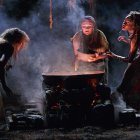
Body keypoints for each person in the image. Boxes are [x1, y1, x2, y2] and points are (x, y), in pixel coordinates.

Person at [109, 11, 140, 110]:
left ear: (134, 24)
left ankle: (120, 96)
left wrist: (113, 55)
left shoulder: (136, 36)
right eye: (124, 21)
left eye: (127, 21)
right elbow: (136, 45)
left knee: (127, 81)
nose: (124, 23)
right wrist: (127, 40)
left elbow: (129, 59)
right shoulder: (136, 35)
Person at [71, 15, 110, 86]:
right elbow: (77, 55)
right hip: (83, 65)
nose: (86, 28)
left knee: (99, 85)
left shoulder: (99, 35)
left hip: (99, 64)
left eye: (89, 26)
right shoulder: (77, 36)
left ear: (93, 26)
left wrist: (97, 57)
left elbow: (107, 53)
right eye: (84, 26)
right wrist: (89, 57)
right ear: (81, 27)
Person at [0, 28, 30, 96]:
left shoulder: (2, 43)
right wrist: (5, 86)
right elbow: (0, 66)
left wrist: (5, 67)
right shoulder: (8, 47)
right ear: (18, 41)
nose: (22, 46)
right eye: (22, 43)